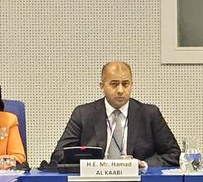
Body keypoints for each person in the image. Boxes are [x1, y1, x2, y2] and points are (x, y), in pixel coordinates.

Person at [49, 62, 181, 168]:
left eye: (125, 84)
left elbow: (174, 154)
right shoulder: (83, 114)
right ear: (102, 86)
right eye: (114, 84)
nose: (120, 90)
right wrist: (91, 164)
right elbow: (59, 155)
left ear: (131, 85)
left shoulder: (149, 114)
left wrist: (143, 164)